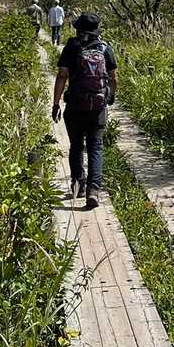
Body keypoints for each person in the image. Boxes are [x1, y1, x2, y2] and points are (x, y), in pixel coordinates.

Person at [51, 12, 116, 209]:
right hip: (97, 107)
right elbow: (113, 77)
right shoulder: (105, 48)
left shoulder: (72, 47)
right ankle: (93, 191)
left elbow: (62, 75)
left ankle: (78, 184)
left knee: (76, 146)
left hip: (75, 105)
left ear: (78, 29)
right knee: (95, 147)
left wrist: (56, 103)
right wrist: (110, 96)